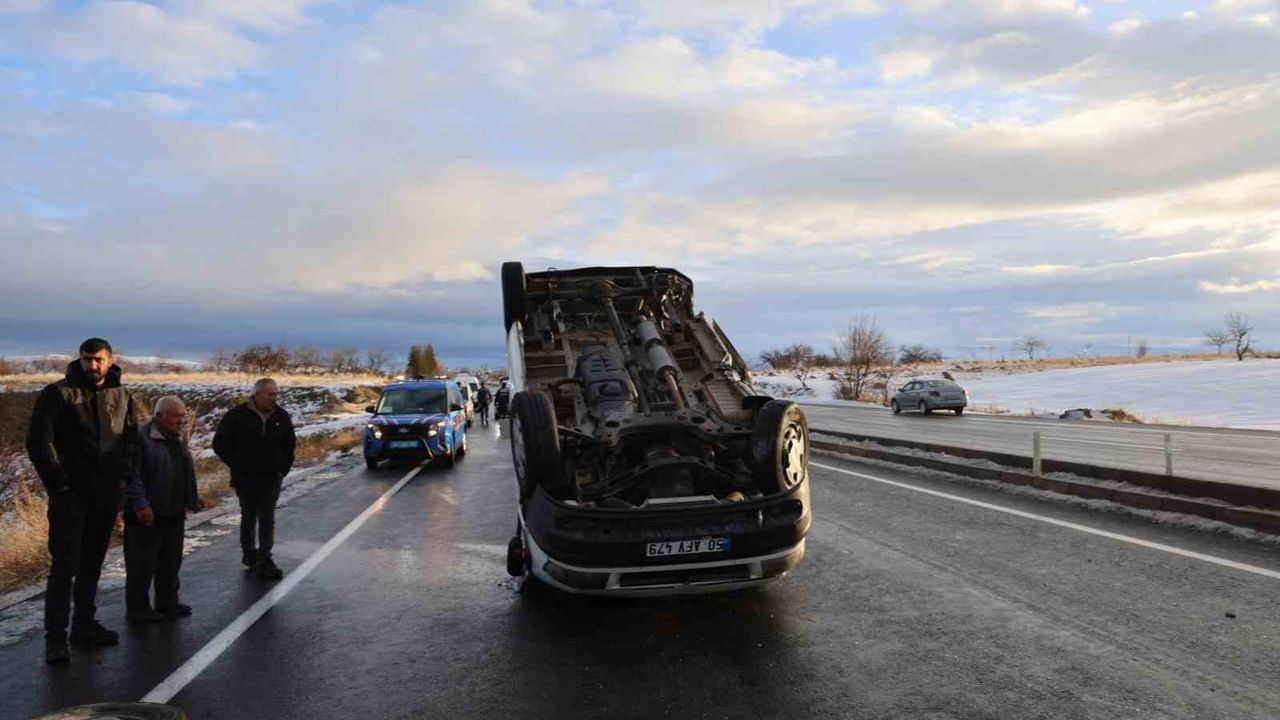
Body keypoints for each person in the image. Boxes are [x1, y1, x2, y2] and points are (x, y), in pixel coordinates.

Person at [26, 338, 138, 665]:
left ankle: (84, 626)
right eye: (87, 359)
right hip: (70, 496)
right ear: (80, 360)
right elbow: (38, 442)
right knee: (64, 567)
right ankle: (55, 638)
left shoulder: (122, 395)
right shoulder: (58, 394)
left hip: (105, 495)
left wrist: (123, 479)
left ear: (110, 360)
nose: (93, 366)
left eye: (99, 360)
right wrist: (58, 485)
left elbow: (130, 440)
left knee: (92, 564)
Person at [123, 396, 199, 624]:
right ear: (159, 416)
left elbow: (183, 471)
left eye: (183, 416)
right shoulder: (140, 439)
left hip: (173, 512)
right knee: (142, 566)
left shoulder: (177, 438)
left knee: (170, 562)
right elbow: (132, 476)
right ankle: (138, 610)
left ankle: (168, 602)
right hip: (147, 515)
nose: (181, 421)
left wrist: (193, 497)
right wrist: (141, 505)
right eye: (176, 416)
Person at [212, 378, 295, 580]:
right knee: (248, 515)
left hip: (271, 478)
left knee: (267, 517)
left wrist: (282, 468)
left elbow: (289, 444)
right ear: (256, 394)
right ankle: (249, 554)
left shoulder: (281, 416)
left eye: (276, 394)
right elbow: (219, 443)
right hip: (245, 478)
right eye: (270, 394)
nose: (274, 398)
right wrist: (238, 464)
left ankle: (265, 559)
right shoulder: (237, 416)